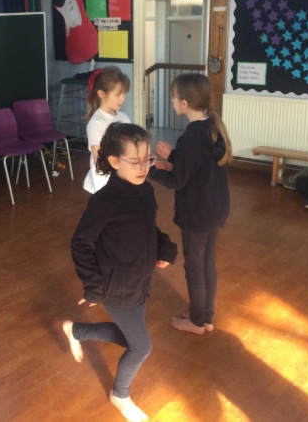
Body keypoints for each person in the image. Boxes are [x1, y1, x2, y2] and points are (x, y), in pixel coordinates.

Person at [64, 123, 177, 422]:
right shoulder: (104, 201)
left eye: (147, 159)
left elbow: (148, 228)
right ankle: (120, 395)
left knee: (131, 338)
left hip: (139, 281)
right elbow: (80, 243)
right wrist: (93, 286)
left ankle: (76, 331)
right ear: (114, 161)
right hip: (114, 286)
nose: (143, 167)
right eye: (134, 161)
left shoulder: (145, 191)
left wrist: (165, 247)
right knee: (141, 347)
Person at [149, 73, 231, 335]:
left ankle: (197, 322)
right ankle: (206, 318)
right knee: (207, 261)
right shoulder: (212, 128)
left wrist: (149, 170)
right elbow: (198, 165)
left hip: (198, 213)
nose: (173, 101)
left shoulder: (190, 137)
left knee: (195, 265)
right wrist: (174, 157)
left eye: (174, 97)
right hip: (214, 208)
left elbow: (177, 180)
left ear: (184, 103)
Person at [83, 66, 131, 194]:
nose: (123, 99)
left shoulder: (123, 117)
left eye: (124, 94)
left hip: (124, 175)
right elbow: (99, 159)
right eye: (118, 94)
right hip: (107, 181)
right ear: (101, 94)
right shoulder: (97, 123)